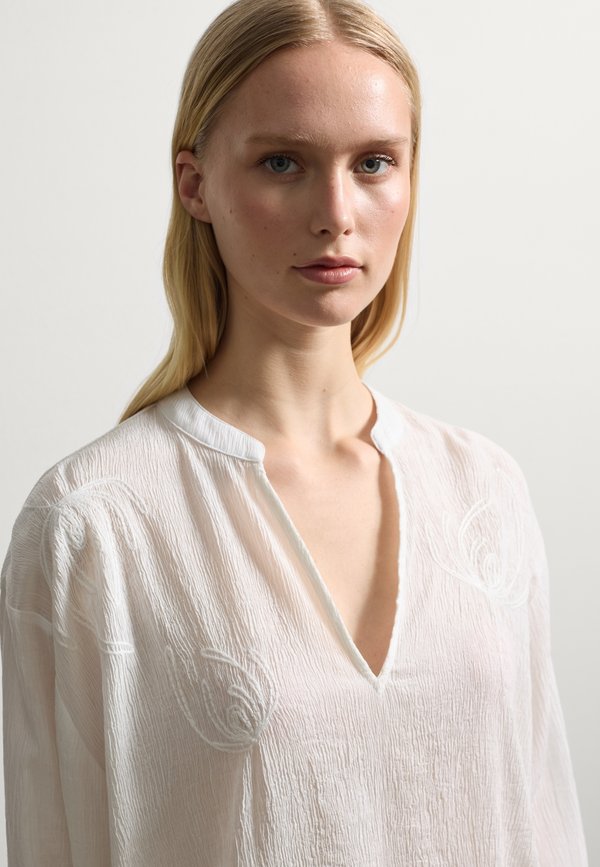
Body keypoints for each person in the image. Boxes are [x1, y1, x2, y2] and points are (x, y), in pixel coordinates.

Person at [0, 0, 589, 864]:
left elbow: (547, 828)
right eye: (283, 162)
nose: (336, 212)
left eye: (374, 162)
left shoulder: (484, 490)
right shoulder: (97, 525)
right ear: (194, 183)